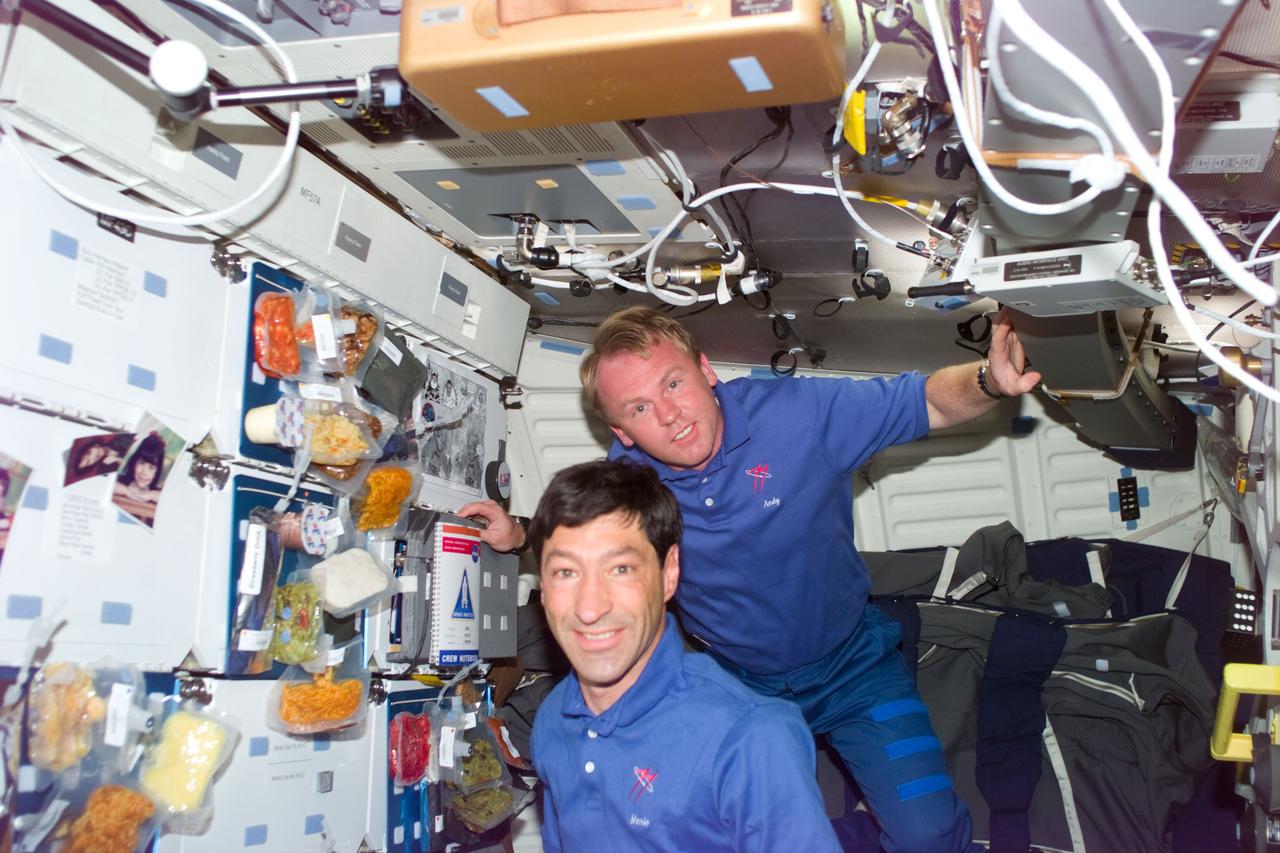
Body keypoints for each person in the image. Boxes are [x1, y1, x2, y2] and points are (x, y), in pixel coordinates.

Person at [462, 305, 1040, 852]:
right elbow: (582, 543)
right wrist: (517, 535)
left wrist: (988, 381)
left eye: (673, 383)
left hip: (854, 668)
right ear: (624, 433)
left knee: (928, 838)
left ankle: (875, 819)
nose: (668, 414)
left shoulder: (797, 416)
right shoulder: (630, 481)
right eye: (638, 409)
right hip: (737, 685)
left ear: (706, 370)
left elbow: (926, 401)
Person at [527, 459, 840, 852]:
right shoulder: (553, 719)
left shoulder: (750, 738)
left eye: (620, 569)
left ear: (669, 572)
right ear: (543, 587)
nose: (590, 608)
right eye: (566, 572)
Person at [113, 433, 166, 505]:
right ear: (134, 462)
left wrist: (151, 495)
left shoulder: (157, 494)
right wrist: (126, 492)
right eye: (141, 463)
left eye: (151, 468)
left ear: (157, 472)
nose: (144, 472)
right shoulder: (119, 481)